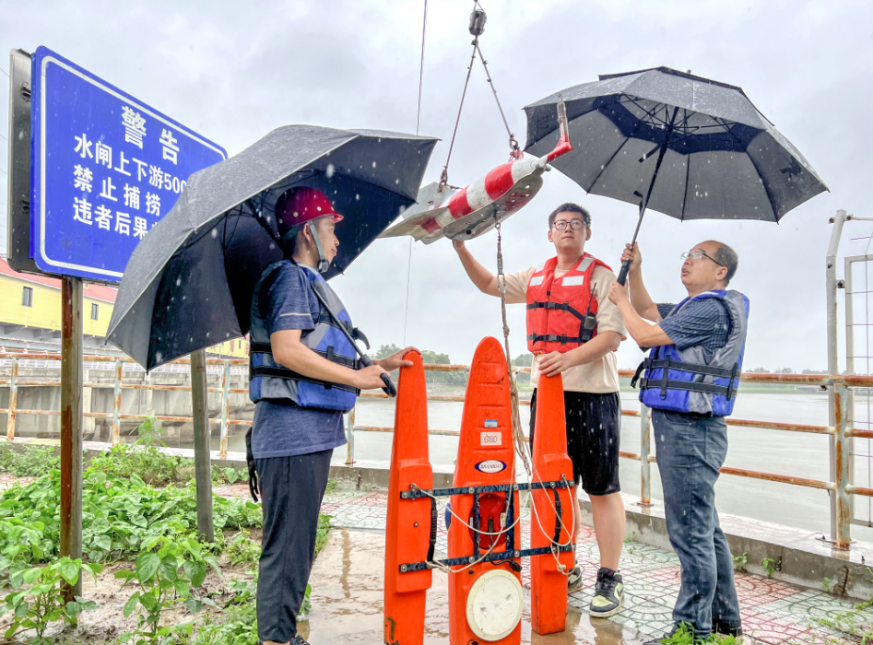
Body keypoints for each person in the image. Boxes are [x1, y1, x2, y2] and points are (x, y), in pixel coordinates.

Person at [248, 186, 416, 645]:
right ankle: (276, 640)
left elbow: (321, 352)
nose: (337, 240)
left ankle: (283, 636)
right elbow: (286, 351)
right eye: (330, 228)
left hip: (308, 435)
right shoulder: (288, 279)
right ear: (307, 232)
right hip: (291, 435)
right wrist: (356, 381)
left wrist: (378, 363)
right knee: (286, 549)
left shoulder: (304, 282)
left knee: (298, 544)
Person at [453, 202, 628, 618]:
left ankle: (609, 575)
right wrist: (460, 247)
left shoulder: (603, 277)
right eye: (561, 224)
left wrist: (567, 359)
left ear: (587, 232)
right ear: (550, 234)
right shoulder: (536, 276)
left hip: (594, 395)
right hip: (547, 399)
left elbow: (612, 338)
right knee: (556, 486)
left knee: (601, 489)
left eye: (577, 224)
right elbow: (488, 285)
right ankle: (564, 563)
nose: (568, 229)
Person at [608, 241, 747, 643]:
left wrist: (619, 300)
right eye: (686, 254)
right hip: (689, 428)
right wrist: (635, 271)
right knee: (706, 530)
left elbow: (646, 334)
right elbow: (652, 312)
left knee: (690, 533)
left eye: (698, 256)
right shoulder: (693, 308)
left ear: (720, 271)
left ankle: (692, 630)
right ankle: (725, 622)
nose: (687, 260)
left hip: (691, 429)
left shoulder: (710, 309)